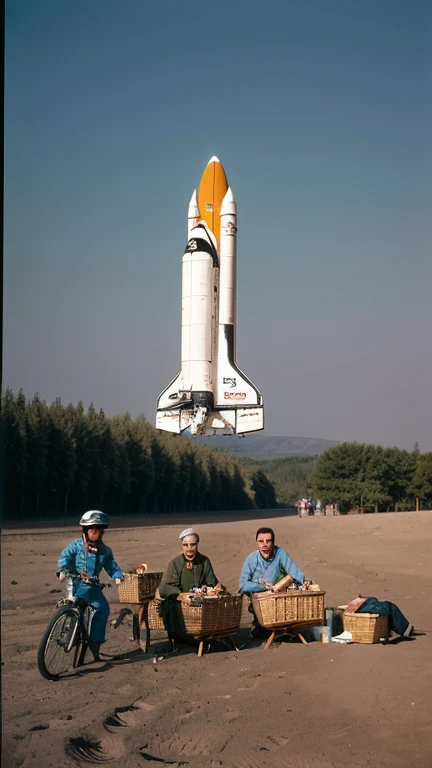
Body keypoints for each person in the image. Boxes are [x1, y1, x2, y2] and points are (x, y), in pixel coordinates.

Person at [57, 510, 124, 661]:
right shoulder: (76, 546)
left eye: (97, 531)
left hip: (93, 588)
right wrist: (63, 569)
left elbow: (111, 565)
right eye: (91, 530)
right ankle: (68, 631)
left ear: (102, 533)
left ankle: (95, 644)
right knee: (72, 606)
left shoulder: (105, 551)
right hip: (76, 585)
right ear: (86, 531)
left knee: (102, 609)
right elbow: (66, 556)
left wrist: (117, 575)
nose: (94, 534)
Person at [159, 528, 223, 642]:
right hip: (180, 600)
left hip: (200, 598)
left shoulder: (204, 561)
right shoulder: (175, 563)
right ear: (182, 546)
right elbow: (166, 588)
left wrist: (216, 588)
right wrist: (182, 595)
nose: (189, 548)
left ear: (197, 545)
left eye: (192, 545)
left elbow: (212, 581)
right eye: (186, 545)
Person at [240, 527, 305, 637]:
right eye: (261, 541)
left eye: (268, 541)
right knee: (260, 632)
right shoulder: (251, 559)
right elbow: (243, 585)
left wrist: (285, 584)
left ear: (273, 542)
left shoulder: (281, 554)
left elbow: (299, 575)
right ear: (257, 542)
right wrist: (263, 587)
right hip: (259, 600)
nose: (264, 544)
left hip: (280, 598)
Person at [347, 596, 414, 638]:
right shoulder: (368, 606)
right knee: (388, 606)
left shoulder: (368, 605)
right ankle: (404, 628)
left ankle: (404, 628)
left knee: (387, 606)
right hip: (368, 605)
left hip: (367, 605)